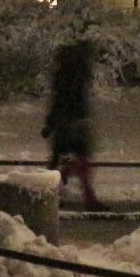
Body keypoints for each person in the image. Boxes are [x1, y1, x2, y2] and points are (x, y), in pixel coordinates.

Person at [44, 39, 106, 212]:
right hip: (73, 123)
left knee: (64, 161)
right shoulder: (78, 72)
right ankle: (84, 197)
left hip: (65, 123)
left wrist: (50, 123)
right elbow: (71, 99)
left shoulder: (65, 72)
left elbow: (59, 99)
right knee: (78, 161)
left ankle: (52, 194)